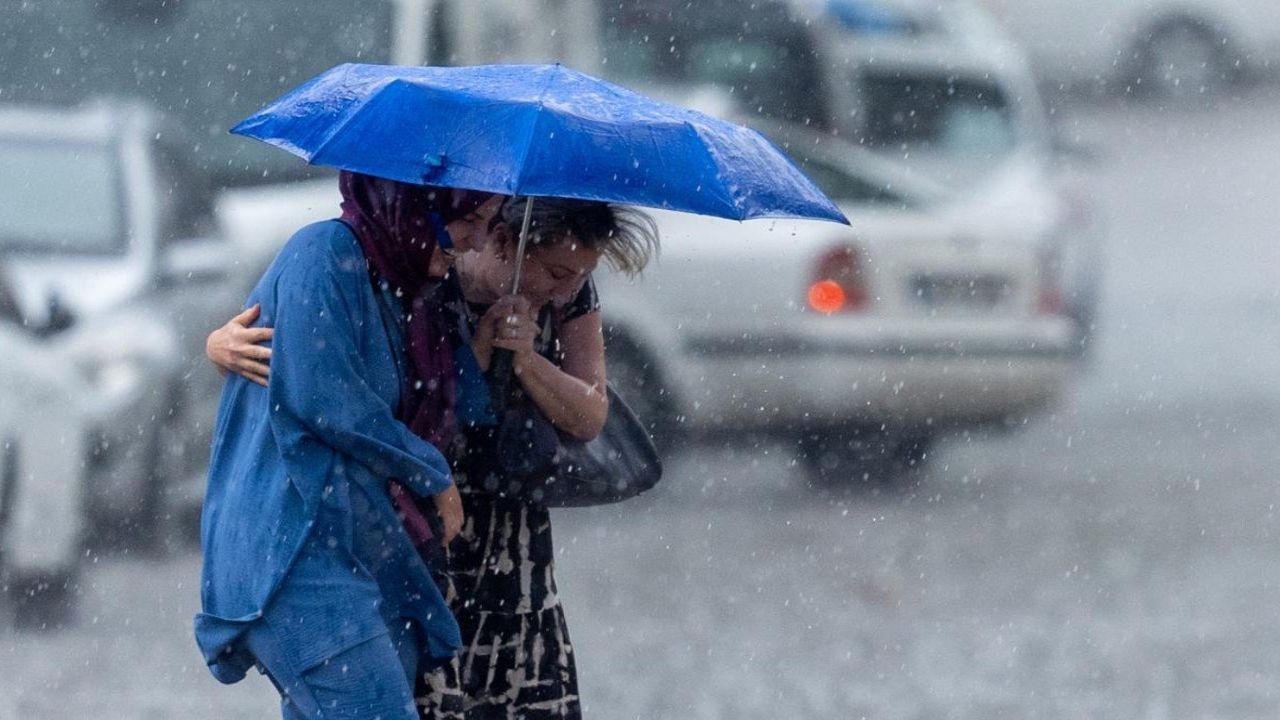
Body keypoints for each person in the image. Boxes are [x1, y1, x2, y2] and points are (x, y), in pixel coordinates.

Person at [208, 195, 658, 719]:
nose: (568, 289)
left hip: (506, 525)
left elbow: (589, 414)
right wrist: (217, 348)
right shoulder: (420, 267)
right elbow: (327, 373)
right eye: (557, 272)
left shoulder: (566, 296)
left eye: (581, 276)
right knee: (414, 697)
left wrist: (527, 360)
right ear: (504, 241)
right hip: (415, 519)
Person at [196, 169, 504, 720]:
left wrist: (495, 344)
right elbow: (327, 397)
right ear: (415, 205)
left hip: (366, 549)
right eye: (469, 221)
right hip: (294, 549)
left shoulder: (406, 286)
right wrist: (431, 473)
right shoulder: (323, 254)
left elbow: (446, 405)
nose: (478, 241)